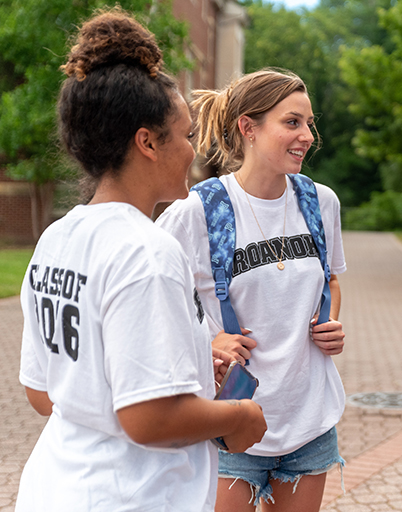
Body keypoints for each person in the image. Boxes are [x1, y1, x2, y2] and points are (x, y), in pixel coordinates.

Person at [16, 9, 267, 512]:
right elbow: (148, 418)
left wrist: (194, 366)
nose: (194, 152)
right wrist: (240, 416)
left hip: (54, 489)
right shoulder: (147, 251)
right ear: (147, 142)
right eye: (187, 135)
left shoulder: (57, 238)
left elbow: (44, 391)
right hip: (133, 497)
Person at [156, 69, 347, 512]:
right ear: (248, 127)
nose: (307, 136)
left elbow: (331, 279)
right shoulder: (198, 209)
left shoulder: (321, 202)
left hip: (308, 419)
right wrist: (208, 340)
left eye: (309, 124)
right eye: (292, 122)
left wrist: (331, 320)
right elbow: (156, 294)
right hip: (230, 421)